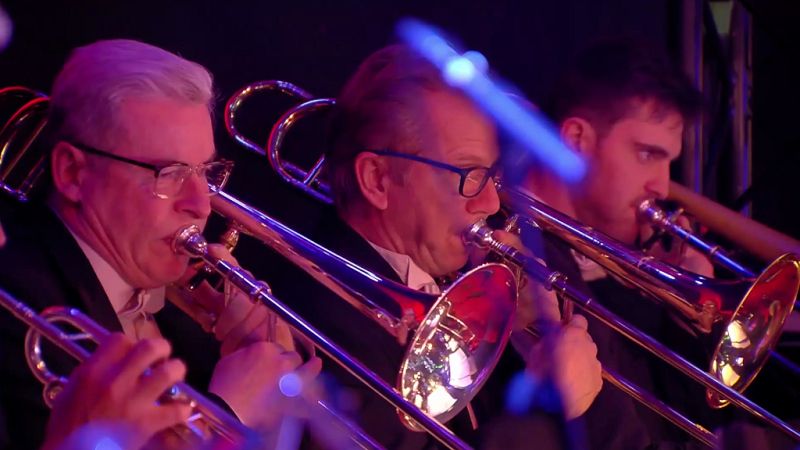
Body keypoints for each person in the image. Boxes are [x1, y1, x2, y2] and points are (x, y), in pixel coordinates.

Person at [255, 44, 602, 449]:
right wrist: (544, 414)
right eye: (469, 174)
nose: (491, 203)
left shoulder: (472, 288)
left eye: (491, 174)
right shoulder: (312, 320)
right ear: (378, 180)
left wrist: (540, 336)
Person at [0, 39, 317, 450]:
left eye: (205, 171)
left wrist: (267, 378)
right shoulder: (18, 312)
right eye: (168, 173)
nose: (201, 204)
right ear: (73, 173)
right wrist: (228, 416)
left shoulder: (187, 309)